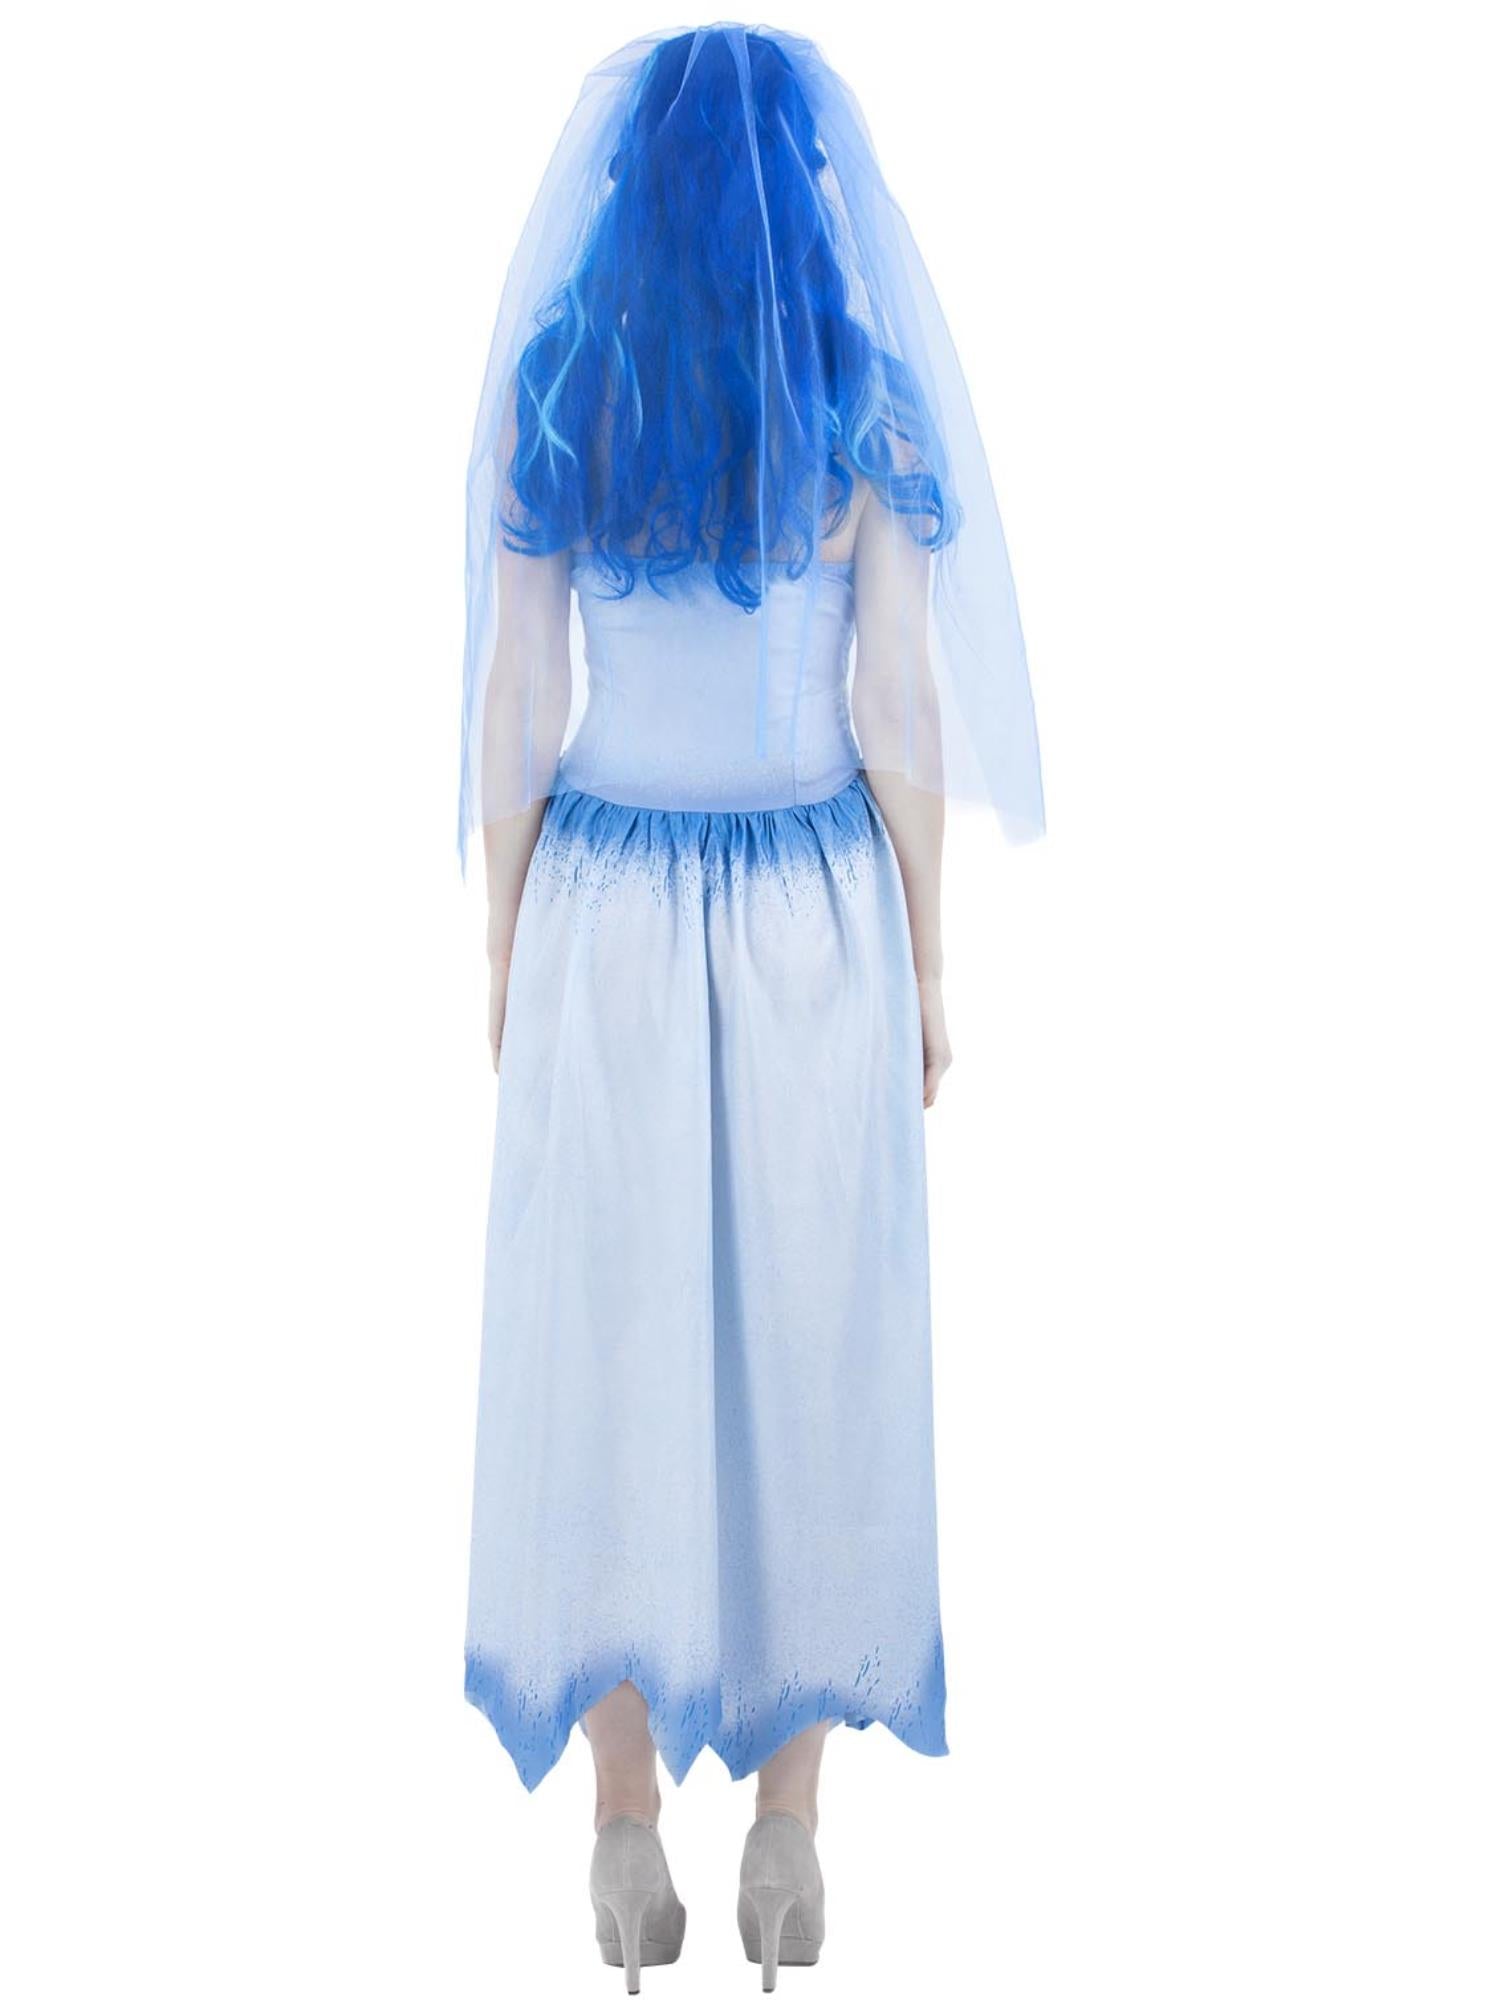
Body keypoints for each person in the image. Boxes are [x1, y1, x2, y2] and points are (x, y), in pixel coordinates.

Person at [457, 24, 1043, 1991]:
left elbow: (518, 702)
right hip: (807, 908)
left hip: (613, 906)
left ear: (621, 194)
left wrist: (506, 941)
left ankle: (624, 1817)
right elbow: (897, 708)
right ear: (811, 197)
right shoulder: (858, 407)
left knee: (610, 1336)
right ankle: (790, 1824)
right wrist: (931, 959)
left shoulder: (562, 391)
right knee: (816, 1329)